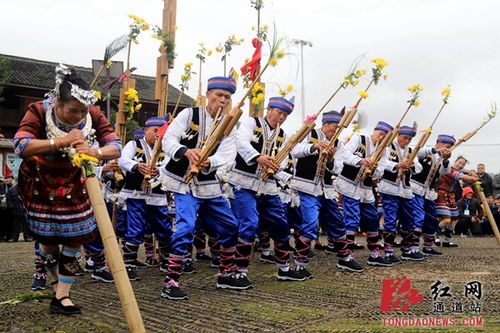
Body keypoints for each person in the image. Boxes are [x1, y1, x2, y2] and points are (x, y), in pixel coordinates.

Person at [13, 64, 121, 315]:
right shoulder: (39, 110)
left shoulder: (92, 113)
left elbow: (115, 146)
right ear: (59, 102)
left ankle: (62, 294)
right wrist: (60, 140)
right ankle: (53, 280)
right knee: (48, 241)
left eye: (83, 111)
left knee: (75, 239)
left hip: (76, 184)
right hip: (40, 184)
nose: (78, 117)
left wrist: (95, 152)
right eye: (73, 111)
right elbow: (20, 144)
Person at [159, 76, 242, 300]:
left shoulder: (229, 125)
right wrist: (186, 151)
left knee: (230, 226)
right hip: (182, 182)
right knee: (186, 227)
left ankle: (225, 273)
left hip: (209, 184)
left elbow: (227, 154)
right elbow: (168, 140)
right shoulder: (189, 114)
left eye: (227, 97)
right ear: (208, 95)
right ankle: (171, 281)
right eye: (219, 96)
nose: (222, 101)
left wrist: (210, 162)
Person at [228, 95, 309, 286]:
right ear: (269, 110)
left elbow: (295, 150)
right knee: (249, 223)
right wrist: (258, 157)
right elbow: (241, 143)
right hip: (244, 183)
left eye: (285, 115)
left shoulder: (283, 135)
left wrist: (314, 147)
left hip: (268, 187)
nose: (281, 117)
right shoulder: (251, 123)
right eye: (279, 112)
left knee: (280, 225)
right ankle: (238, 271)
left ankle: (284, 269)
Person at [289, 110, 349, 275]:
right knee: (310, 224)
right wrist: (314, 146)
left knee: (337, 222)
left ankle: (345, 258)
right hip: (307, 187)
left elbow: (339, 167)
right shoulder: (309, 132)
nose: (335, 131)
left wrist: (330, 160)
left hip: (327, 190)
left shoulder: (338, 143)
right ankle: (300, 264)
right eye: (334, 127)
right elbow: (293, 149)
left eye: (338, 129)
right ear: (325, 124)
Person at [118, 116, 173, 280]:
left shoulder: (165, 148)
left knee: (164, 228)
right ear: (146, 130)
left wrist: (160, 171)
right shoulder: (134, 145)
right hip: (135, 195)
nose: (158, 135)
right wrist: (136, 166)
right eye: (155, 131)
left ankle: (166, 261)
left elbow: (169, 166)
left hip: (156, 196)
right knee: (135, 228)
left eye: (161, 132)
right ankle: (128, 264)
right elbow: (122, 160)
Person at [335, 121, 394, 271]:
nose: (381, 138)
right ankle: (347, 256)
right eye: (380, 134)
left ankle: (374, 255)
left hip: (366, 189)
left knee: (372, 219)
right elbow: (344, 155)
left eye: (385, 137)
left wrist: (374, 170)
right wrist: (360, 161)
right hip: (349, 185)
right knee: (352, 220)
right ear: (375, 131)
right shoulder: (359, 139)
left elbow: (381, 171)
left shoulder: (384, 151)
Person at [379, 124, 425, 262]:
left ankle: (407, 249)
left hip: (405, 190)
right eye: (405, 138)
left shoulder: (411, 150)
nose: (407, 141)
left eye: (410, 139)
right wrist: (396, 165)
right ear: (398, 136)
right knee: (390, 220)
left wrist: (412, 165)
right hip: (389, 188)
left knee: (409, 219)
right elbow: (382, 162)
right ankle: (388, 251)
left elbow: (419, 167)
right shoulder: (388, 147)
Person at [410, 134, 453, 257]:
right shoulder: (427, 150)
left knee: (431, 218)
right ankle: (412, 248)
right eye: (446, 146)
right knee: (418, 218)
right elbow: (416, 152)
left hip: (429, 192)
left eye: (450, 147)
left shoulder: (441, 158)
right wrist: (435, 150)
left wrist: (445, 159)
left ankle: (428, 247)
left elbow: (445, 172)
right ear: (438, 143)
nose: (447, 149)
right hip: (416, 189)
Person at [436, 156, 478, 247]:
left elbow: (464, 175)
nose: (460, 165)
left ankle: (447, 241)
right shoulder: (448, 169)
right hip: (441, 195)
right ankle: (433, 234)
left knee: (455, 218)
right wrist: (471, 178)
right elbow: (460, 176)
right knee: (446, 220)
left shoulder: (459, 172)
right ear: (455, 161)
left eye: (463, 164)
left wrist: (473, 175)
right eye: (459, 163)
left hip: (451, 196)